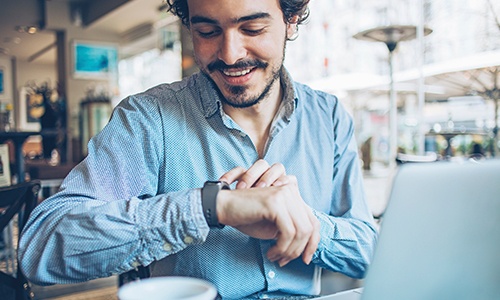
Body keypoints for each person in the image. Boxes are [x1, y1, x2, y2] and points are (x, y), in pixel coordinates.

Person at [18, 0, 378, 299]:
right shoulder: (148, 119)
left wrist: (305, 223)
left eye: (252, 29)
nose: (230, 54)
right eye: (207, 32)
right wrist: (211, 207)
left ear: (291, 19)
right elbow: (42, 246)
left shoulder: (329, 116)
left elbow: (370, 253)